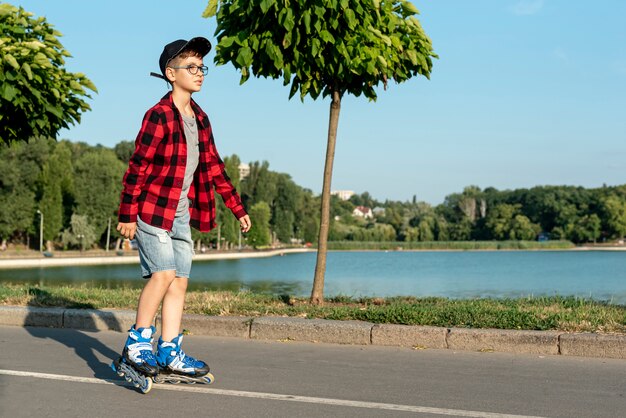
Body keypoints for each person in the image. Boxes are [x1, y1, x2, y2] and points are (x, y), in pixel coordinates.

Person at [115, 37, 251, 379]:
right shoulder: (158, 115)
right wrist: (127, 214)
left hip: (179, 212)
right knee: (162, 275)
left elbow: (215, 167)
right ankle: (136, 344)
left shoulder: (201, 118)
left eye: (202, 67)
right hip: (151, 210)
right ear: (170, 73)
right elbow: (138, 166)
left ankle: (169, 350)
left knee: (179, 282)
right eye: (191, 67)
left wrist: (237, 207)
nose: (200, 72)